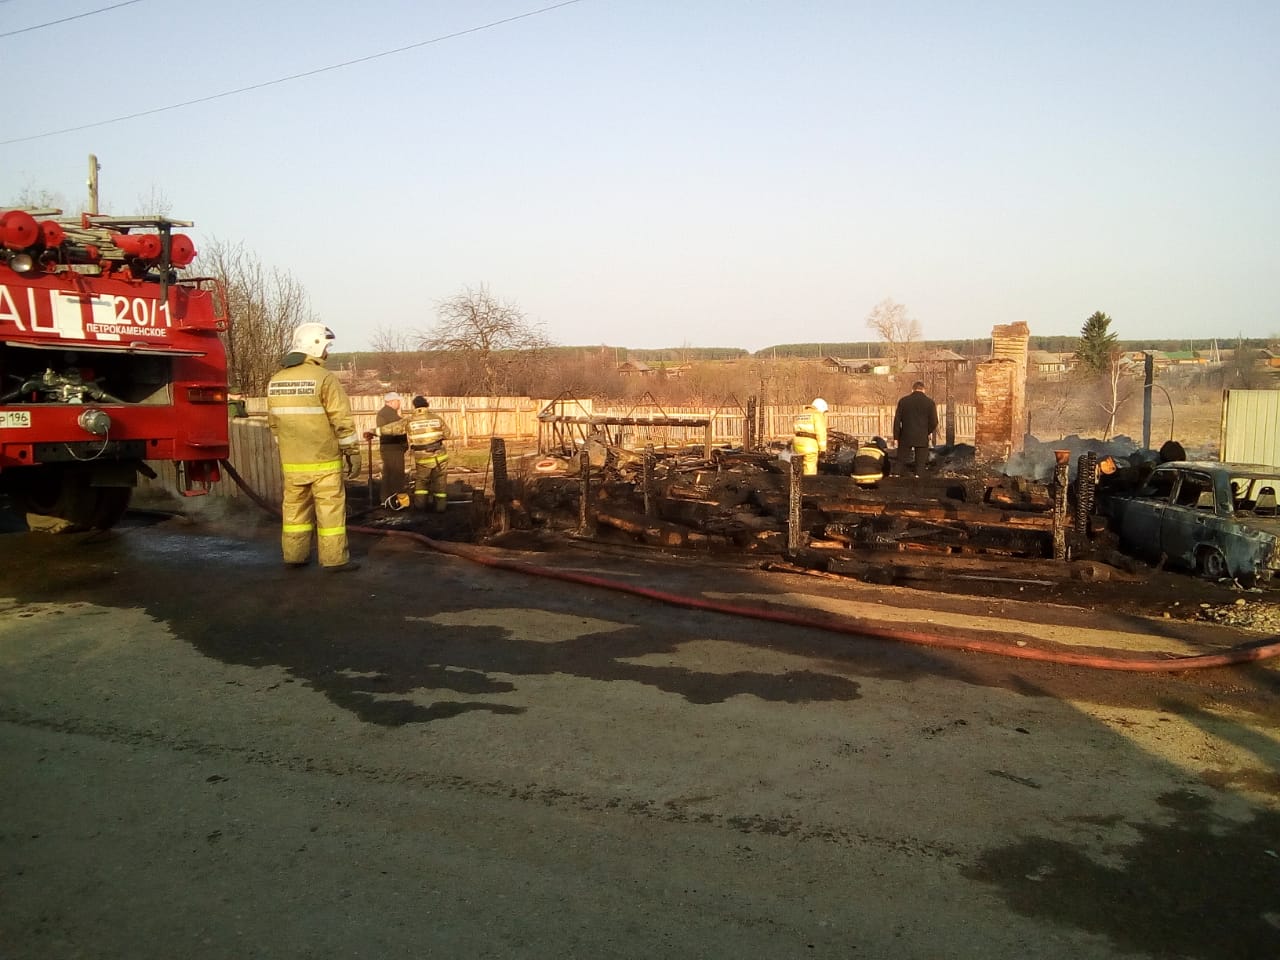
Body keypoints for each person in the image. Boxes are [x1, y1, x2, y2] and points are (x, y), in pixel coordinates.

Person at [266, 322, 361, 572]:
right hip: (324, 462)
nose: (328, 351)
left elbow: (274, 424)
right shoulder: (324, 378)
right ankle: (333, 560)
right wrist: (353, 453)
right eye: (326, 346)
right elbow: (341, 420)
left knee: (295, 512)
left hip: (292, 463)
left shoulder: (276, 380)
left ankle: (295, 556)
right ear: (316, 345)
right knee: (329, 511)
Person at [406, 395, 452, 512]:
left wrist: (374, 432)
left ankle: (420, 506)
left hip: (422, 458)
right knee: (440, 481)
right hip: (439, 456)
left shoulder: (410, 421)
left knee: (421, 482)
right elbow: (447, 434)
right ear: (426, 405)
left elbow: (393, 428)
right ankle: (440, 507)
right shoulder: (436, 418)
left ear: (415, 406)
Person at [364, 392, 406, 500]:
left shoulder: (386, 413)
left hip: (390, 448)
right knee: (396, 475)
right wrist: (404, 445)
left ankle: (386, 499)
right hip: (393, 448)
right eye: (398, 401)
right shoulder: (389, 414)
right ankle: (396, 500)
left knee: (388, 474)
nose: (399, 403)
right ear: (391, 402)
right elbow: (396, 430)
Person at [893, 381, 937, 477]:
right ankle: (919, 481)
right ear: (924, 390)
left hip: (906, 435)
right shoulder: (930, 403)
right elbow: (934, 422)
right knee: (920, 465)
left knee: (900, 462)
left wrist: (896, 437)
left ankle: (895, 479)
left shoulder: (903, 401)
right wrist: (927, 431)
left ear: (912, 389)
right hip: (922, 436)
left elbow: (897, 421)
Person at [792, 397, 829, 477]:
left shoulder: (801, 414)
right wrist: (822, 450)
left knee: (798, 465)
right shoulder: (817, 415)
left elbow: (794, 429)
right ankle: (808, 485)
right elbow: (821, 433)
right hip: (809, 445)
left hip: (796, 443)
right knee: (809, 466)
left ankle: (796, 485)